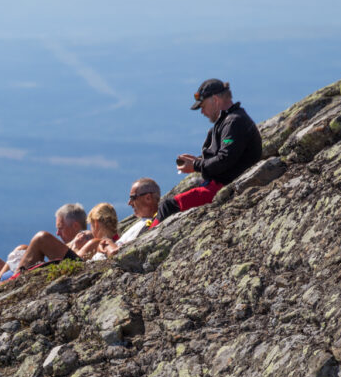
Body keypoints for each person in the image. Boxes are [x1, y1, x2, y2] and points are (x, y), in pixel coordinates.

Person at [157, 79, 262, 223]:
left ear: (215, 100)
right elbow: (226, 155)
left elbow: (225, 158)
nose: (202, 111)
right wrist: (197, 161)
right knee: (168, 204)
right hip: (221, 185)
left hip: (222, 188)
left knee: (168, 206)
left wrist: (195, 166)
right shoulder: (230, 120)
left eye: (203, 106)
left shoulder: (234, 122)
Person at [13, 203, 90, 272]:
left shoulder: (87, 238)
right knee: (21, 248)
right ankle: (3, 281)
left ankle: (13, 279)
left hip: (78, 266)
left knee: (41, 237)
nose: (57, 233)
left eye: (60, 228)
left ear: (75, 226)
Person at [102, 178, 161, 256]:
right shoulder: (140, 222)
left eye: (133, 197)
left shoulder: (152, 226)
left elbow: (116, 253)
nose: (129, 203)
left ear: (148, 198)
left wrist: (107, 243)